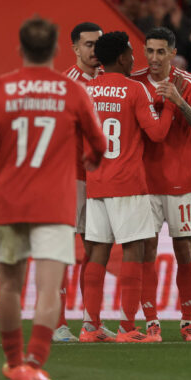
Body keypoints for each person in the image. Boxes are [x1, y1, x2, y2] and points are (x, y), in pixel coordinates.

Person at [0, 16, 107, 380]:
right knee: (48, 288)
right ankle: (34, 364)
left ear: (20, 49)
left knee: (9, 286)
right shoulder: (72, 92)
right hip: (54, 204)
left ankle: (12, 362)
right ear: (54, 50)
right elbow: (98, 142)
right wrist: (93, 159)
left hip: (9, 203)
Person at [80, 31, 175, 343]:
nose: (136, 58)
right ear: (121, 57)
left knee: (98, 251)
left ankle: (90, 327)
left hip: (96, 184)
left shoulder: (88, 91)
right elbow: (158, 134)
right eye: (131, 53)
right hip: (128, 185)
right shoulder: (134, 90)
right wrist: (171, 106)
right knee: (134, 249)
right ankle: (127, 327)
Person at [131, 26, 191, 342]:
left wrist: (180, 102)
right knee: (146, 250)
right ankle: (151, 323)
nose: (153, 58)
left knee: (184, 251)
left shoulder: (188, 83)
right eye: (149, 50)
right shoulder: (134, 83)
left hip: (180, 184)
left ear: (173, 52)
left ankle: (187, 321)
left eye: (160, 51)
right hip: (144, 185)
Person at [53, 22, 111, 343]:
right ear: (75, 48)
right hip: (70, 176)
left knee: (96, 250)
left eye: (98, 45)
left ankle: (92, 323)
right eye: (88, 45)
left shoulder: (110, 82)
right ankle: (58, 324)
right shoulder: (65, 84)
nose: (94, 51)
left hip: (101, 179)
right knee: (63, 249)